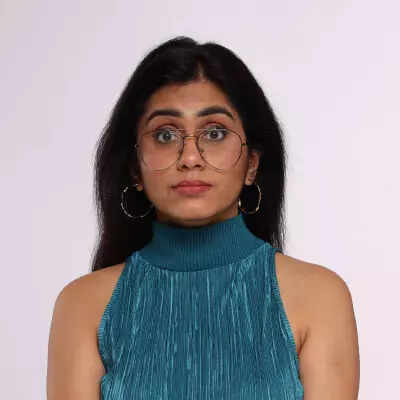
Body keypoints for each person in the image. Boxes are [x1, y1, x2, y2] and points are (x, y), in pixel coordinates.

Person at [47, 36, 360, 399]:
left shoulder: (319, 298)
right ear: (135, 168)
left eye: (215, 133)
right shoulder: (84, 306)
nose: (190, 157)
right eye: (165, 135)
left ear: (252, 163)